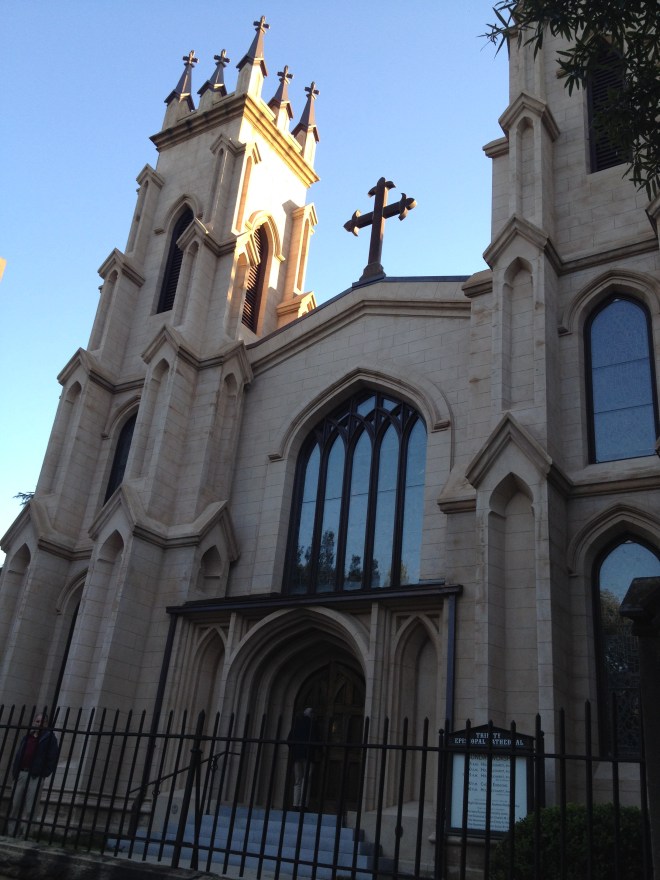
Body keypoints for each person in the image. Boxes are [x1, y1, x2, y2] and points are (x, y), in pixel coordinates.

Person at [8, 711, 59, 837]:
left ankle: (26, 834)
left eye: (42, 722)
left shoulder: (49, 738)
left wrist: (44, 772)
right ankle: (11, 833)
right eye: (37, 721)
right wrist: (15, 771)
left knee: (31, 807)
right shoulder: (28, 737)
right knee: (15, 804)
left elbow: (52, 758)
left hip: (36, 775)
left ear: (46, 724)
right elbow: (19, 754)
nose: (39, 724)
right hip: (22, 773)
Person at [287, 707, 319, 810]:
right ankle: (303, 804)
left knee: (298, 779)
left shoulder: (297, 724)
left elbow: (289, 740)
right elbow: (316, 740)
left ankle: (295, 804)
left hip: (297, 756)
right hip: (308, 756)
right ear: (312, 715)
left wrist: (295, 750)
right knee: (306, 780)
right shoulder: (313, 725)